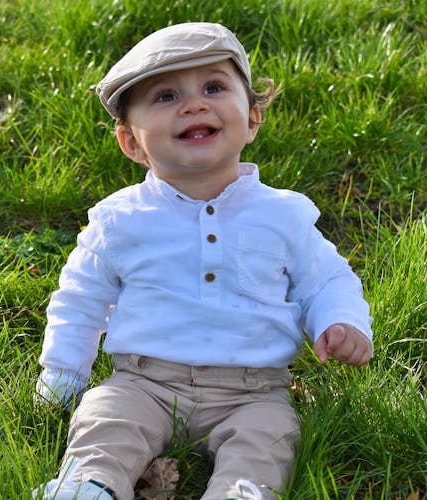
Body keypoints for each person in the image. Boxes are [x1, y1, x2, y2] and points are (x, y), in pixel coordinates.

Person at [33, 22, 373, 500]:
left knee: (269, 437)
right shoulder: (121, 220)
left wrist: (339, 321)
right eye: (166, 97)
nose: (195, 104)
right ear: (132, 143)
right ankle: (91, 485)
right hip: (143, 379)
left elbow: (327, 280)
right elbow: (80, 299)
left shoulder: (283, 215)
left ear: (252, 118)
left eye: (214, 87)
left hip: (253, 391)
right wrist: (64, 375)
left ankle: (239, 492)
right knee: (106, 419)